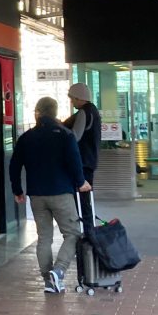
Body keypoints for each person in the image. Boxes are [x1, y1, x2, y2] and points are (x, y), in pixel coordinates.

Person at [9, 97, 91, 293]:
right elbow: (74, 161)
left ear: (37, 112)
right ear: (55, 113)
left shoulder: (27, 137)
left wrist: (17, 190)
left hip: (37, 195)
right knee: (72, 233)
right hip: (61, 192)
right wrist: (81, 182)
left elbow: (14, 165)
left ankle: (48, 281)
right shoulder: (64, 135)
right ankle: (59, 271)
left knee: (44, 237)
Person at [62, 83, 101, 231]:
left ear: (79, 97)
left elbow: (75, 136)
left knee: (82, 199)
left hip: (82, 163)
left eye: (72, 98)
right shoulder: (93, 111)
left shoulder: (84, 112)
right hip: (90, 161)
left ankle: (87, 232)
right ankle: (88, 230)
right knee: (85, 199)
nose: (72, 102)